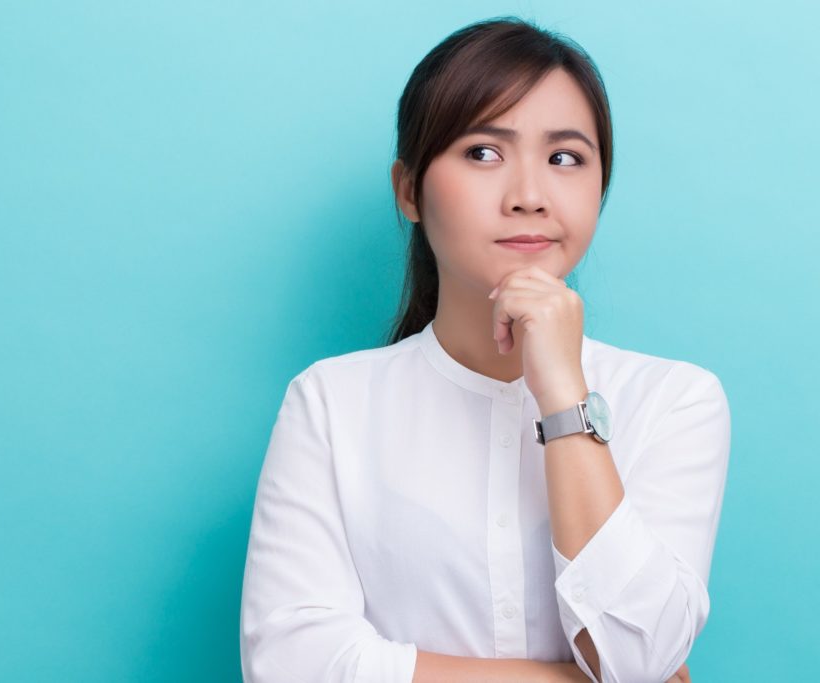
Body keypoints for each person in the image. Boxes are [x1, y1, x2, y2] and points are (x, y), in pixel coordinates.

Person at [239, 15, 729, 683]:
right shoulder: (330, 402)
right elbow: (290, 664)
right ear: (409, 191)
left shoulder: (675, 400)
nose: (529, 197)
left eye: (564, 158)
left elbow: (636, 657)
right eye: (483, 153)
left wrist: (563, 394)